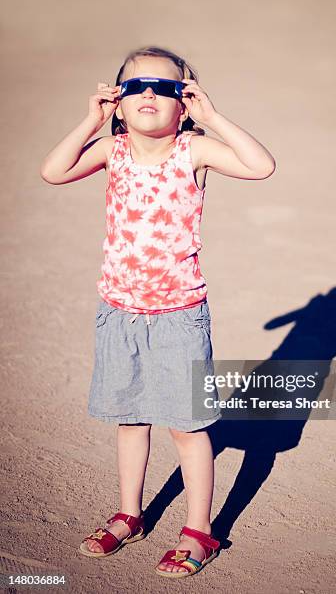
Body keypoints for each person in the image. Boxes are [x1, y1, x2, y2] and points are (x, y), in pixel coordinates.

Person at [40, 45, 276, 578]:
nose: (151, 95)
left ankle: (199, 530)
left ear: (184, 103)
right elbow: (53, 171)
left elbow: (261, 167)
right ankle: (130, 513)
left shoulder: (193, 150)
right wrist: (89, 120)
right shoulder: (110, 150)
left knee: (188, 428)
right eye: (136, 87)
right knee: (131, 419)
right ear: (119, 103)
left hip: (178, 315)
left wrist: (212, 119)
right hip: (119, 311)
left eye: (167, 89)